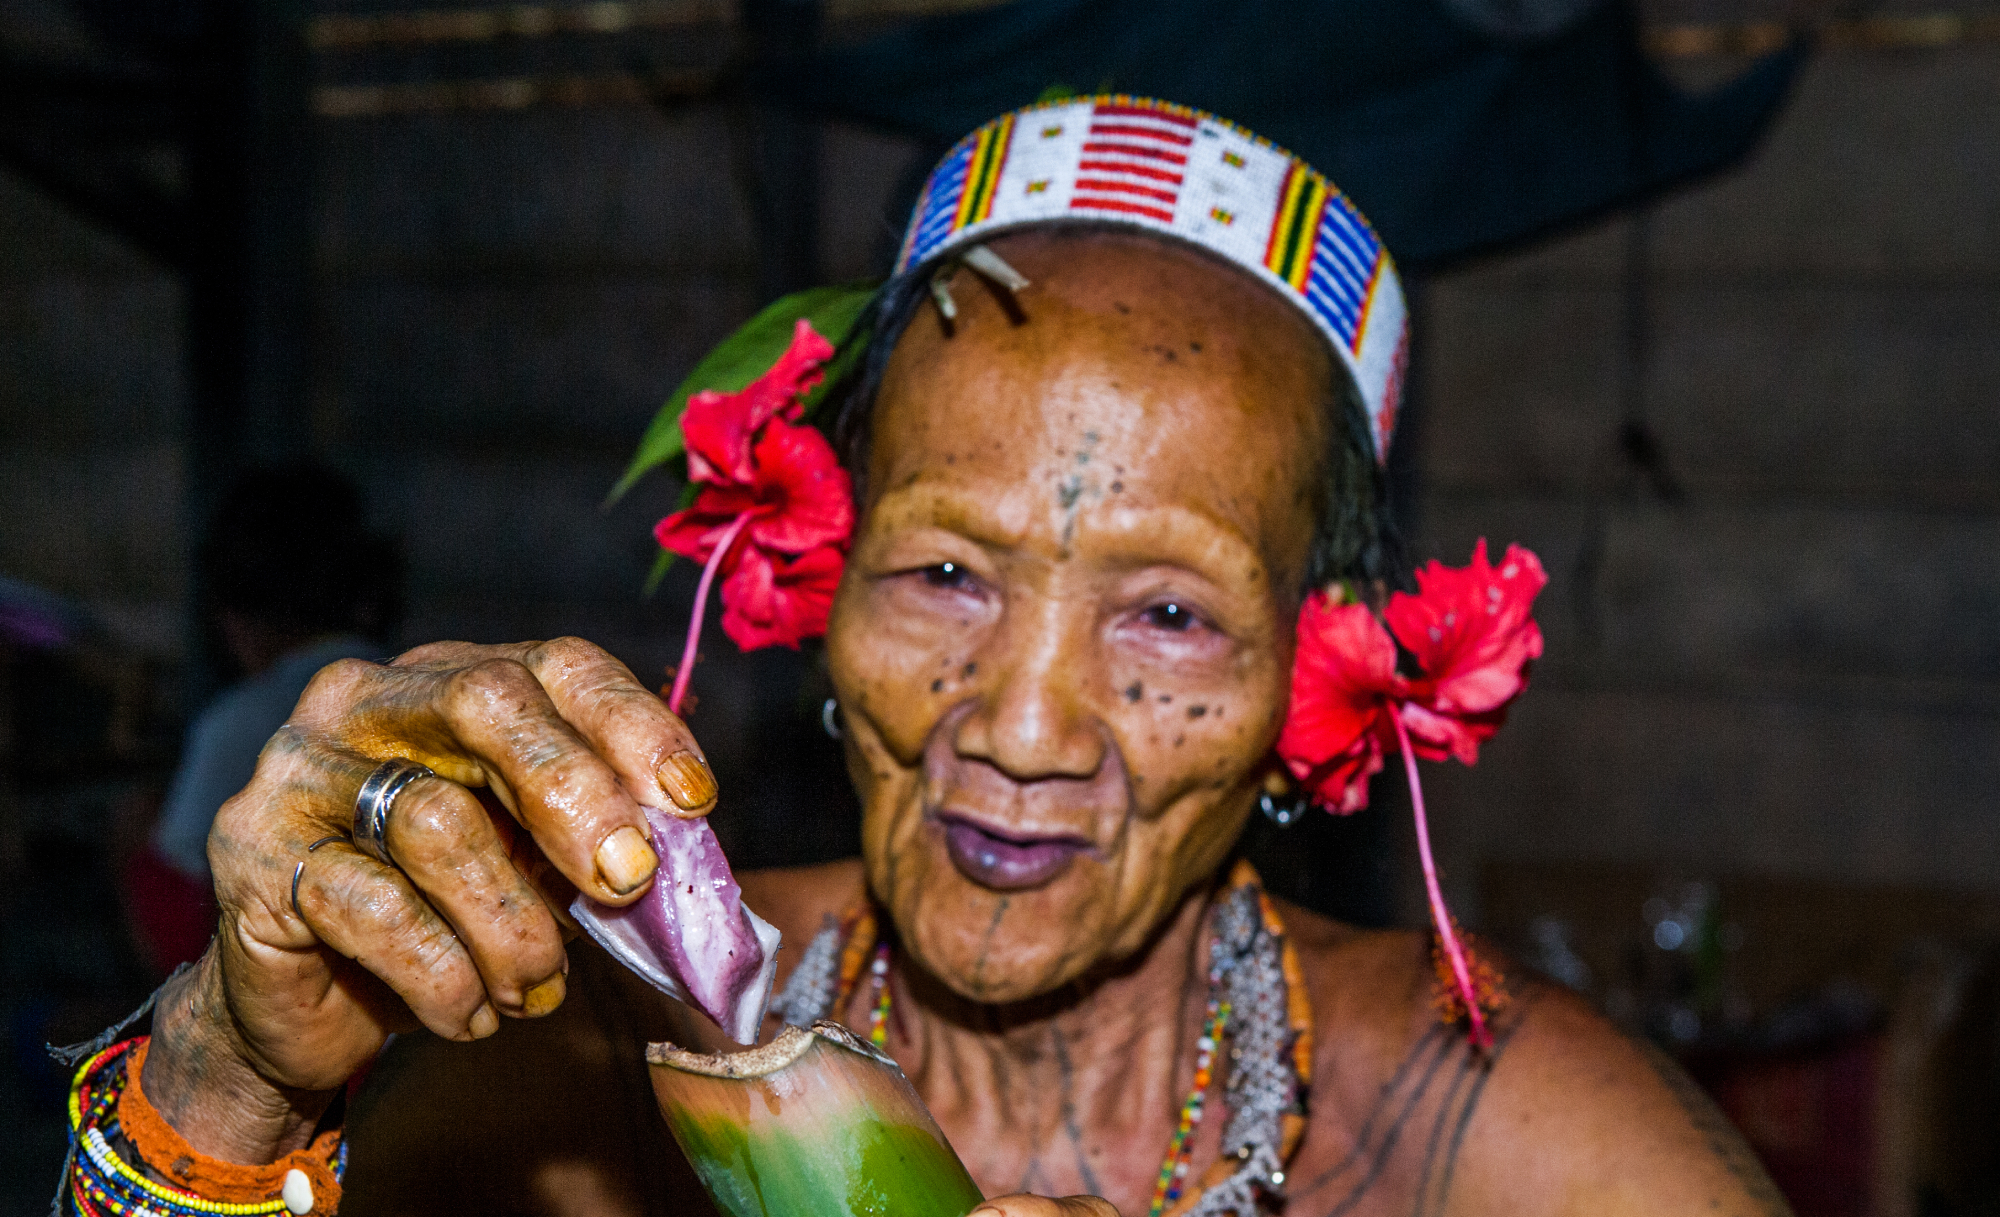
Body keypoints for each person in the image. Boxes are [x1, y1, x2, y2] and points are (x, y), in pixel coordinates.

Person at [61, 99, 1790, 1217]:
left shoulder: (1497, 1133)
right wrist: (227, 1072)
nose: (1024, 723)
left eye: (1169, 612)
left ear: (1317, 678)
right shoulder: (589, 1061)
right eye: (949, 572)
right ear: (817, 573)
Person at [126, 464, 397, 973]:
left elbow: (177, 940)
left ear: (232, 611)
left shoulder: (241, 723)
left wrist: (131, 847)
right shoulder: (409, 684)